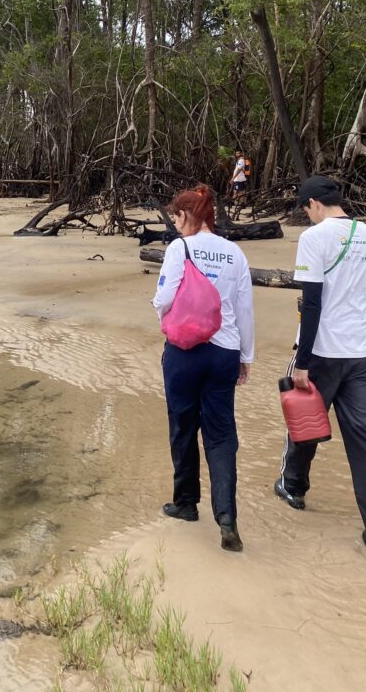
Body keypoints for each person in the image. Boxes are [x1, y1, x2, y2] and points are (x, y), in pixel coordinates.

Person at [274, 175, 366, 560]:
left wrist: (304, 360)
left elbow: (311, 303)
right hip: (363, 353)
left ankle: (293, 486)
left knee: (305, 420)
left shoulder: (314, 238)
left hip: (324, 352)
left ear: (312, 204)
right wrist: (356, 320)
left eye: (304, 209)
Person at [153, 183, 255, 552]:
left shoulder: (179, 248)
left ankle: (185, 504)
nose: (176, 223)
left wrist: (164, 315)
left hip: (184, 351)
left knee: (182, 424)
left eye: (177, 216)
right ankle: (227, 518)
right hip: (224, 351)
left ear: (188, 214)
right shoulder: (235, 253)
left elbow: (164, 298)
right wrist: (246, 356)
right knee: (221, 432)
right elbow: (244, 309)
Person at [230, 151, 248, 219]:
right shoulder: (239, 160)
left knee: (239, 192)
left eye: (238, 153)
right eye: (236, 153)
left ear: (241, 154)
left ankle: (239, 204)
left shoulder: (241, 160)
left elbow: (239, 170)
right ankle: (236, 203)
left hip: (239, 179)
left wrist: (233, 178)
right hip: (237, 179)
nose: (237, 154)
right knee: (236, 191)